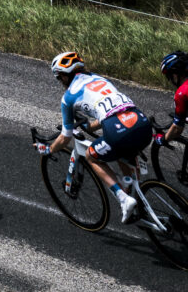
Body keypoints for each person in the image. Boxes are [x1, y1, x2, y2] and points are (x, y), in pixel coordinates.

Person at [39, 52, 161, 226]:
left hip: (118, 130)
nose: (60, 82)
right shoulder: (99, 78)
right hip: (141, 123)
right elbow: (111, 109)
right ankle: (129, 186)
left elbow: (65, 137)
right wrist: (89, 126)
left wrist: (48, 149)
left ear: (65, 76)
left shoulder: (68, 98)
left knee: (91, 155)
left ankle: (124, 199)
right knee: (119, 149)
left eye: (59, 78)